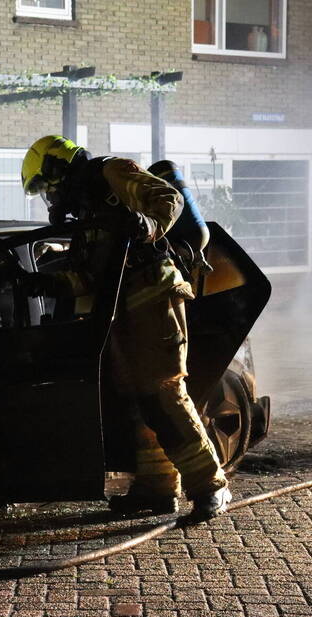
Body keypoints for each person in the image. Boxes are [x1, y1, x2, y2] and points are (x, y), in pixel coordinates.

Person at [19, 134, 231, 521]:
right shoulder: (85, 214)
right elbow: (90, 276)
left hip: (154, 297)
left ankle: (211, 485)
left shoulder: (110, 171)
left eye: (46, 186)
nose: (49, 197)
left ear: (56, 167)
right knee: (140, 403)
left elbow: (170, 199)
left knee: (165, 394)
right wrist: (44, 283)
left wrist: (148, 225)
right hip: (121, 312)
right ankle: (157, 488)